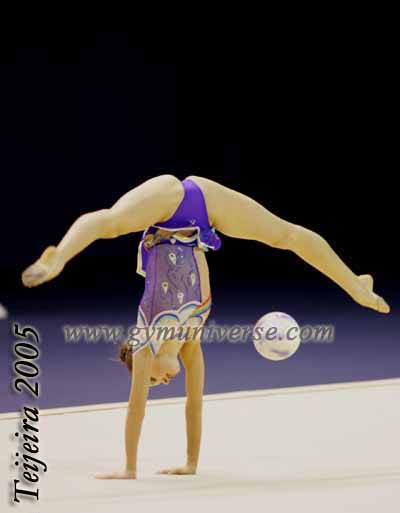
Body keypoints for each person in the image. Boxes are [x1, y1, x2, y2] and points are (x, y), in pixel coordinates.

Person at [22, 175, 390, 478]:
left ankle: (58, 258)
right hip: (205, 214)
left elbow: (136, 410)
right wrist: (191, 463)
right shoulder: (190, 343)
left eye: (152, 380)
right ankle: (359, 288)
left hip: (168, 204)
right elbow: (194, 405)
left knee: (113, 221)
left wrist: (129, 468)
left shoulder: (145, 343)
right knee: (284, 236)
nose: (162, 381)